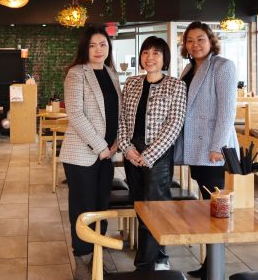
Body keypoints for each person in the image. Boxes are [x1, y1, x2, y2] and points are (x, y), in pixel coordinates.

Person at [118, 36, 187, 271]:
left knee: (156, 206)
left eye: (156, 53)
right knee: (139, 204)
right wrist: (127, 149)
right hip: (132, 152)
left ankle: (147, 262)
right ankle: (157, 254)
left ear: (165, 58)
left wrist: (149, 155)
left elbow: (175, 124)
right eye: (146, 52)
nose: (150, 58)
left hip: (158, 153)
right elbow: (122, 118)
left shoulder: (176, 85)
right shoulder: (132, 82)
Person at [59, 25, 120, 280]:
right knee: (83, 208)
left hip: (108, 153)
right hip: (82, 154)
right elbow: (75, 114)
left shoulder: (111, 74)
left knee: (101, 206)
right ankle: (82, 261)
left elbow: (117, 113)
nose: (98, 49)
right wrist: (101, 147)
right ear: (85, 47)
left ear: (109, 48)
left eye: (103, 45)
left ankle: (98, 254)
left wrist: (116, 143)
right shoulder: (76, 74)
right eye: (93, 45)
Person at [179, 21, 238, 279]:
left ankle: (215, 268)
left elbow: (227, 110)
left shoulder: (222, 66)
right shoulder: (189, 68)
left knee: (216, 208)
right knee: (206, 206)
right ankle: (209, 265)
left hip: (213, 149)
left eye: (200, 39)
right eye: (190, 40)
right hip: (196, 146)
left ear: (210, 40)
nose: (195, 44)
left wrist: (218, 147)